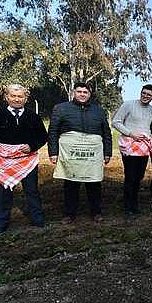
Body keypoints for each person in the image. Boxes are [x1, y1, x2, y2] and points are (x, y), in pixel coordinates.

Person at [0, 84, 48, 235]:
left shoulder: (33, 116)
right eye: (13, 96)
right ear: (7, 97)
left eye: (20, 96)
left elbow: (43, 137)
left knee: (32, 191)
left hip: (28, 161)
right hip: (3, 161)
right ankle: (1, 224)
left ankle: (38, 220)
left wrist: (32, 146)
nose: (17, 99)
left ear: (25, 98)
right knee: (4, 193)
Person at [48, 82, 112, 223]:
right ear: (73, 92)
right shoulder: (61, 108)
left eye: (85, 92)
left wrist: (108, 153)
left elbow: (106, 133)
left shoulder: (99, 111)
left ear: (89, 94)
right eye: (79, 91)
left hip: (93, 155)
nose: (82, 94)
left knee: (94, 183)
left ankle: (96, 212)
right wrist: (53, 152)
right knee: (71, 183)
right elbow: (53, 131)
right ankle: (69, 214)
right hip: (70, 155)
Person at [112, 84, 152, 219]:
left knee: (139, 177)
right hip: (129, 146)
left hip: (144, 149)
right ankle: (127, 206)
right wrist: (131, 134)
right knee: (130, 176)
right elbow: (116, 122)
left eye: (149, 94)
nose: (145, 96)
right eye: (144, 93)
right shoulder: (128, 105)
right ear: (140, 92)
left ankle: (135, 205)